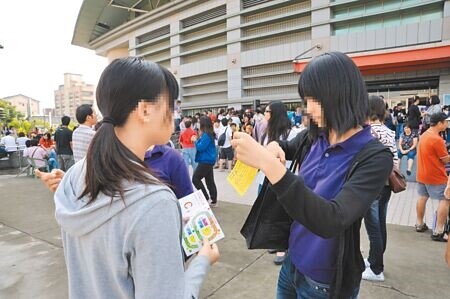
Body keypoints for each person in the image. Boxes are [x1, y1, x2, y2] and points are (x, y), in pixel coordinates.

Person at [49, 57, 218, 299]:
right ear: (145, 110)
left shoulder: (76, 174)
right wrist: (202, 262)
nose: (174, 112)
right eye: (171, 104)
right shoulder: (154, 202)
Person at [231, 52, 392, 298]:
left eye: (310, 99)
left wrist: (267, 164)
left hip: (325, 282)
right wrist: (276, 147)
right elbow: (288, 148)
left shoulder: (374, 158)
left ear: (335, 94)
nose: (307, 108)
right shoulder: (315, 135)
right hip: (292, 262)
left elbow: (332, 219)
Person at [362, 95, 398, 282]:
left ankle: (377, 269)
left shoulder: (369, 132)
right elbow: (395, 159)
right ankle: (374, 259)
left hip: (373, 185)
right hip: (386, 184)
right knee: (380, 225)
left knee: (373, 227)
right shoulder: (388, 131)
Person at [258, 100, 298, 266]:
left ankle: (284, 246)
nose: (264, 114)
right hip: (265, 177)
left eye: (267, 112)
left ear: (275, 114)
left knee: (283, 213)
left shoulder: (292, 133)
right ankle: (275, 243)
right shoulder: (266, 132)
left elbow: (296, 158)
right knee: (269, 211)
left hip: (283, 179)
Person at [415, 112, 450, 242]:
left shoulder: (424, 135)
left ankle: (419, 224)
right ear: (440, 123)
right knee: (445, 199)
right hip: (435, 176)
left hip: (422, 174)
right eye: (446, 122)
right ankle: (439, 231)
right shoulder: (437, 139)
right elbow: (445, 160)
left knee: (422, 197)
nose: (447, 124)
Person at [192, 116, 218, 207]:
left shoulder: (206, 135)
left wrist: (195, 141)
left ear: (203, 124)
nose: (198, 123)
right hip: (209, 160)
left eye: (199, 122)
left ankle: (205, 198)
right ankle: (213, 200)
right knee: (209, 181)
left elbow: (200, 147)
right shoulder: (208, 134)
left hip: (205, 161)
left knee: (195, 178)